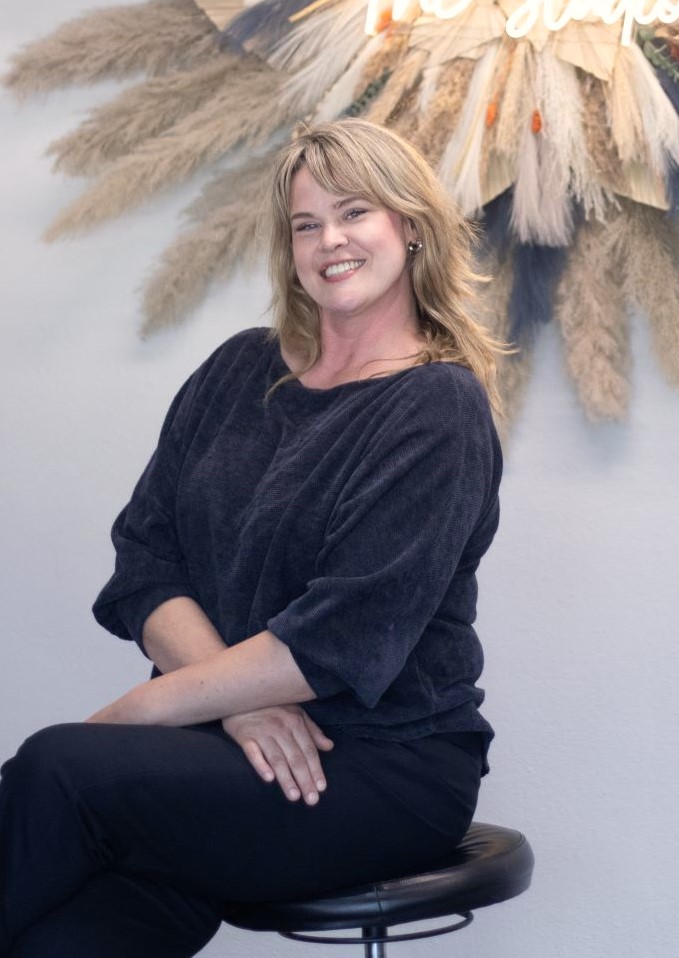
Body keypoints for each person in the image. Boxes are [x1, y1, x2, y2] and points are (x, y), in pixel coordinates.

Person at [0, 119, 505, 958]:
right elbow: (144, 561)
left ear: (410, 226)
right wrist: (238, 707)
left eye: (354, 214)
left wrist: (139, 710)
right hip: (233, 747)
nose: (329, 241)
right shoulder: (239, 369)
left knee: (61, 768)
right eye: (306, 224)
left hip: (381, 768)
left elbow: (343, 640)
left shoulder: (435, 407)